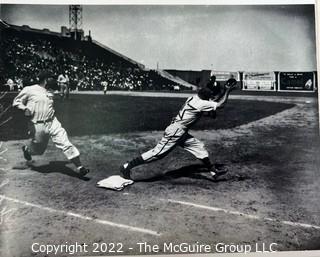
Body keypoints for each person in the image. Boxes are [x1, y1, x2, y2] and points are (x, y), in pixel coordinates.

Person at [120, 76, 237, 181]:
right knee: (158, 153)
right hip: (175, 132)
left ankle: (213, 171)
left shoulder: (193, 98)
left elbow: (213, 101)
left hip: (180, 131)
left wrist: (221, 93)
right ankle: (127, 166)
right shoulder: (201, 104)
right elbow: (220, 104)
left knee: (198, 147)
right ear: (205, 98)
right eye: (209, 97)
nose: (211, 98)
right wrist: (227, 90)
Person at [12, 71, 89, 176]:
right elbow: (16, 102)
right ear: (46, 79)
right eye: (52, 78)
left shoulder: (51, 91)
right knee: (39, 151)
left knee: (65, 143)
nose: (54, 80)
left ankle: (80, 167)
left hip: (53, 122)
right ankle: (27, 150)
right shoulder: (29, 90)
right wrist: (24, 108)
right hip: (37, 125)